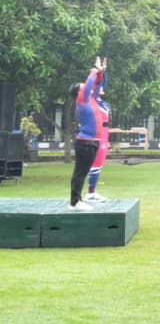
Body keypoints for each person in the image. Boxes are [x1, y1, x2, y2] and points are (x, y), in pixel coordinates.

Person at [68, 57, 106, 211]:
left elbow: (97, 84)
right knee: (80, 172)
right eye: (82, 85)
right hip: (85, 142)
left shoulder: (90, 99)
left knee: (83, 172)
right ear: (78, 91)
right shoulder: (82, 99)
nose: (85, 85)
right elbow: (90, 82)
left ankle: (77, 200)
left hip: (93, 141)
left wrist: (101, 72)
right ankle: (74, 202)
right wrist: (94, 69)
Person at [84, 92, 112, 204]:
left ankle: (92, 192)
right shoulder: (92, 99)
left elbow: (102, 81)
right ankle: (90, 193)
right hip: (97, 133)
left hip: (104, 133)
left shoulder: (101, 101)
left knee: (99, 164)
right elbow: (97, 81)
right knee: (95, 164)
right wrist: (98, 74)